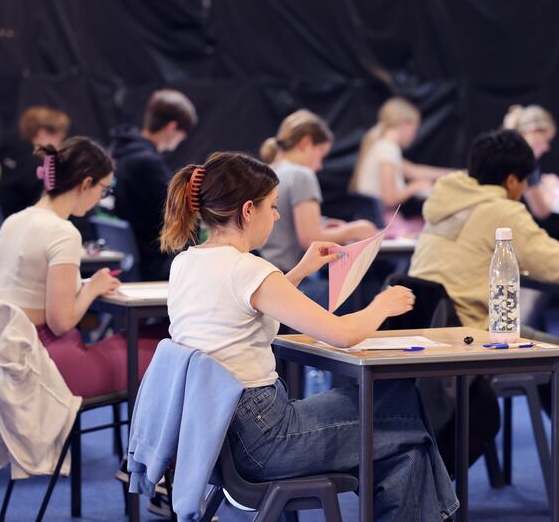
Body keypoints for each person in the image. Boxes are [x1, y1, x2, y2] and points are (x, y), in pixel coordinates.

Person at [160, 151, 458, 521]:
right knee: (408, 423)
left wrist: (299, 271)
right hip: (265, 440)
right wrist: (383, 304)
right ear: (248, 210)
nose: (277, 215)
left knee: (404, 439)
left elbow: (244, 303)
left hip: (217, 437)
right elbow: (342, 334)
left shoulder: (188, 262)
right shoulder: (249, 269)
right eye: (272, 206)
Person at [409, 129, 559, 488]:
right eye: (525, 182)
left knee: (553, 354)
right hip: (475, 333)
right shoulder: (501, 209)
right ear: (512, 179)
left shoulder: (448, 197)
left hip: (433, 328)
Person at [0, 137, 130, 397]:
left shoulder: (12, 222)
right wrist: (91, 288)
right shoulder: (64, 233)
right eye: (103, 190)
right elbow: (60, 323)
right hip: (47, 361)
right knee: (152, 350)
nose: (99, 199)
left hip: (3, 354)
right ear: (86, 184)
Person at [259, 109, 377, 306]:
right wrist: (357, 228)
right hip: (295, 279)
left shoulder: (268, 171)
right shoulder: (302, 174)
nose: (320, 166)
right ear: (306, 143)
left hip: (270, 274)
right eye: (321, 155)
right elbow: (310, 238)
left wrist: (324, 224)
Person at [111, 89, 197, 281]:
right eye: (182, 135)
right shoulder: (147, 164)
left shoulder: (119, 154)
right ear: (172, 127)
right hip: (152, 262)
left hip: (131, 256)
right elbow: (180, 211)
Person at [351, 97, 452, 220]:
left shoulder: (382, 145)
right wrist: (414, 187)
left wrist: (453, 173)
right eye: (414, 129)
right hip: (382, 221)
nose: (414, 135)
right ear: (405, 124)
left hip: (375, 217)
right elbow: (389, 199)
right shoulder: (388, 149)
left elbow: (414, 171)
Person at [0, 106, 70, 218]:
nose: (59, 144)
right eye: (59, 138)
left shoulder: (5, 150)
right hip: (15, 223)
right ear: (42, 133)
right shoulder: (38, 166)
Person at [502, 104, 559, 220]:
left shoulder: (501, 149)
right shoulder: (525, 161)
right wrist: (551, 188)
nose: (547, 148)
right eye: (546, 140)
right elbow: (541, 211)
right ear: (534, 131)